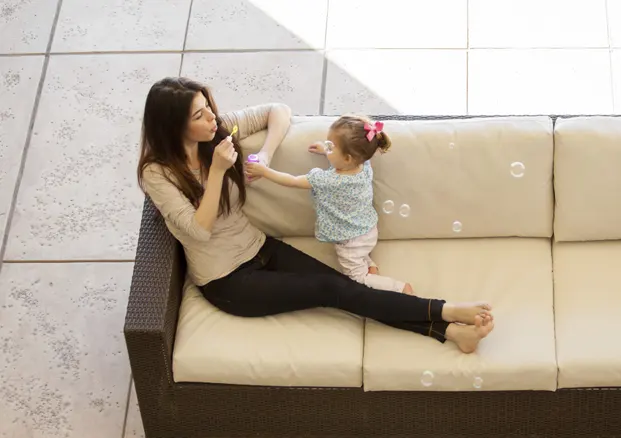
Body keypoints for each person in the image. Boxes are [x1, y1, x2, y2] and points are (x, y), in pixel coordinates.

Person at [136, 77, 494, 353]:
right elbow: (198, 231)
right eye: (200, 115)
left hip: (260, 248)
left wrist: (266, 155)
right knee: (332, 289)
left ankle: (449, 333)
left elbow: (278, 110)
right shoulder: (158, 173)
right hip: (227, 281)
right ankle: (445, 311)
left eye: (209, 107)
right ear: (174, 126)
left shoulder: (217, 132)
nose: (213, 117)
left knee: (347, 289)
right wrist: (215, 172)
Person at [246, 115, 411, 294]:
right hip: (369, 229)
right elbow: (348, 157)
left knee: (357, 279)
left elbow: (293, 181)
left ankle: (400, 288)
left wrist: (264, 171)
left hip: (351, 242)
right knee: (360, 255)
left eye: (331, 146)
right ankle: (369, 264)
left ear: (347, 158)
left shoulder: (327, 180)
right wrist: (326, 150)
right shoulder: (364, 165)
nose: (327, 146)